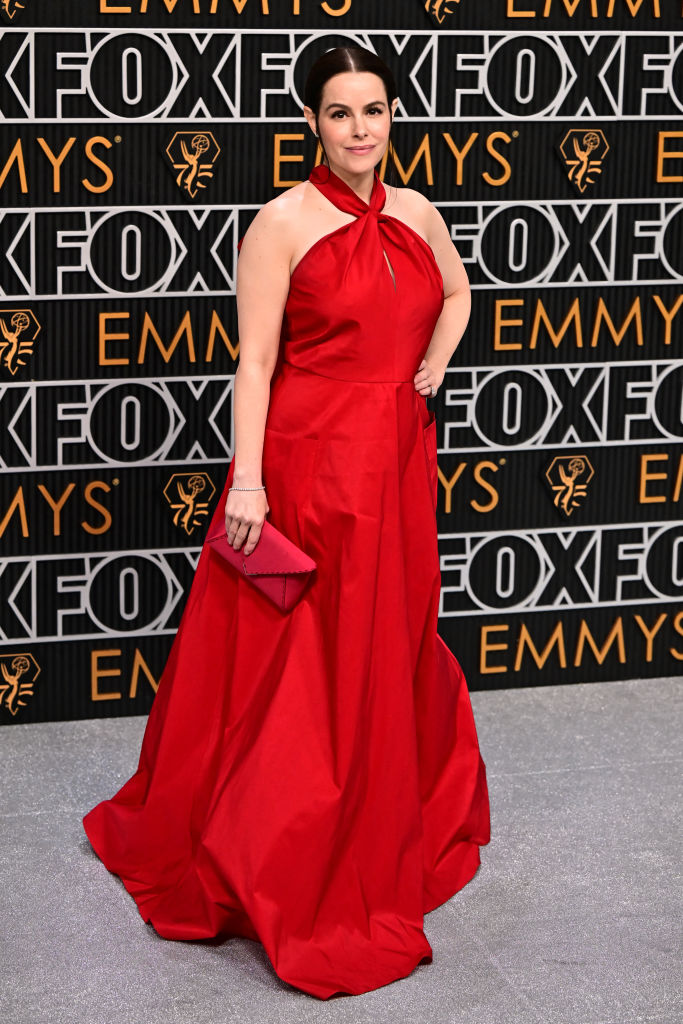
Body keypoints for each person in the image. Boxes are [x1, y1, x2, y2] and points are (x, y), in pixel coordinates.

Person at [82, 45, 491, 1000]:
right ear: (312, 121)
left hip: (394, 461)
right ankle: (284, 845)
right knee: (301, 666)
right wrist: (248, 486)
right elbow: (255, 366)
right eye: (340, 112)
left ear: (392, 117)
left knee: (383, 643)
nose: (360, 129)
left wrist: (432, 360)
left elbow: (460, 291)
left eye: (375, 110)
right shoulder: (281, 223)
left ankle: (373, 818)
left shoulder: (418, 212)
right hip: (309, 465)